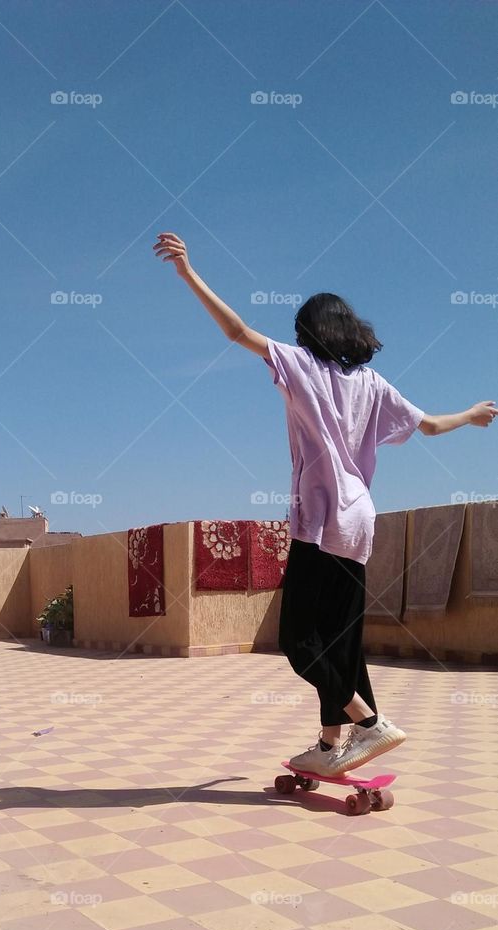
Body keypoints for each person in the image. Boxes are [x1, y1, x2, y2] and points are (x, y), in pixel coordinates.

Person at [153, 231, 496, 773]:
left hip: (321, 520)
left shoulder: (300, 366)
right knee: (339, 641)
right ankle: (330, 745)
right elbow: (429, 425)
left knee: (297, 640)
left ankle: (368, 723)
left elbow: (237, 331)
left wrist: (189, 274)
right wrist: (471, 416)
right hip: (360, 520)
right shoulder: (373, 383)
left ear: (307, 333)